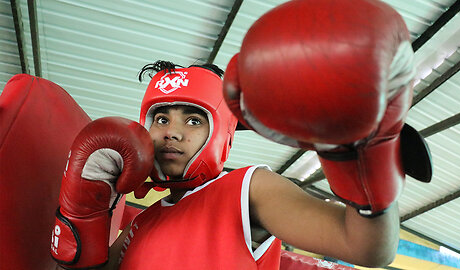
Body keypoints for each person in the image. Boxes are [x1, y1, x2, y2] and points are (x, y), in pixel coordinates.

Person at [50, 0, 432, 269]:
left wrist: (359, 154)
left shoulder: (248, 188)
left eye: (194, 120)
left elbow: (366, 248)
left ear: (224, 136)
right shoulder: (141, 222)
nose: (172, 133)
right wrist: (82, 209)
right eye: (161, 118)